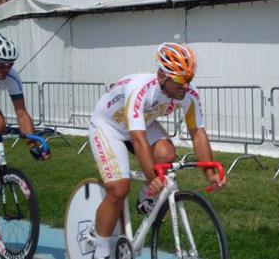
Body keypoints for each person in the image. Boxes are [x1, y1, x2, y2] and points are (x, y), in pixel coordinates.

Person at [89, 42, 226, 259]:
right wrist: (152, 177)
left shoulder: (189, 94)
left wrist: (210, 173)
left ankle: (146, 198)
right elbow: (138, 139)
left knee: (166, 154)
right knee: (118, 189)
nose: (186, 86)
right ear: (162, 77)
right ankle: (101, 250)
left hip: (144, 121)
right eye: (181, 80)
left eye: (189, 79)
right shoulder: (140, 89)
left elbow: (198, 133)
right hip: (110, 127)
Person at [0, 32, 50, 160]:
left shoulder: (12, 78)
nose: (6, 70)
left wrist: (32, 145)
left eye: (10, 65)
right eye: (1, 65)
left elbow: (21, 113)